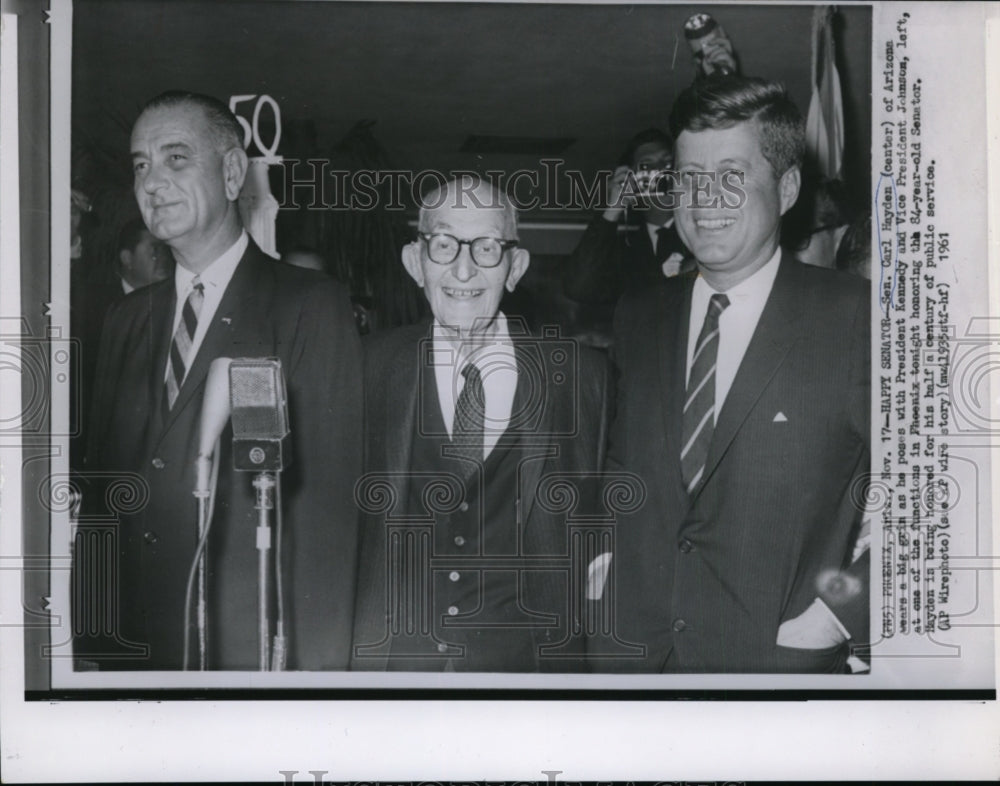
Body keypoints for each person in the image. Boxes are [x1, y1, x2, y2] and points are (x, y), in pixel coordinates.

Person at [75, 91, 362, 671]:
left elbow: (328, 511)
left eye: (175, 158)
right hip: (137, 646)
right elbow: (107, 490)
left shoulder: (309, 304)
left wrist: (310, 675)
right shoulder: (125, 318)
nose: (152, 182)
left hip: (246, 644)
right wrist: (95, 637)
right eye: (140, 165)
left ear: (233, 173)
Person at [597, 76, 869, 673]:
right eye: (690, 178)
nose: (703, 200)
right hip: (633, 665)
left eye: (731, 175)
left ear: (788, 187)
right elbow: (624, 471)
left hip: (772, 669)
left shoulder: (856, 317)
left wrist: (836, 616)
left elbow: (947, 496)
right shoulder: (639, 314)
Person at [352, 176, 610, 672]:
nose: (463, 269)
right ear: (415, 262)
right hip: (393, 672)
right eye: (444, 245)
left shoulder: (582, 379)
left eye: (487, 247)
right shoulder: (366, 367)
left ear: (515, 267)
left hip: (528, 677)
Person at [562, 128, 692, 315]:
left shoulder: (700, 236)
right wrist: (613, 208)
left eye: (668, 162)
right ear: (631, 180)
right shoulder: (625, 252)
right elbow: (578, 287)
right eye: (647, 166)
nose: (661, 173)